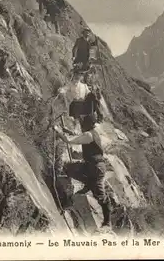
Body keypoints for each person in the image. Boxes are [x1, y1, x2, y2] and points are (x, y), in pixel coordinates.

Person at [53, 96, 111, 228]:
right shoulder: (92, 133)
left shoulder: (89, 135)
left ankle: (107, 221)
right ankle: (86, 186)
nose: (80, 122)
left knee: (100, 196)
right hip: (93, 165)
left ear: (86, 124)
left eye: (82, 122)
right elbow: (78, 136)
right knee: (70, 168)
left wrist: (58, 131)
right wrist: (68, 131)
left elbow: (69, 140)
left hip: (96, 168)